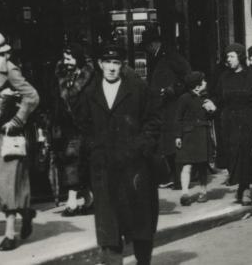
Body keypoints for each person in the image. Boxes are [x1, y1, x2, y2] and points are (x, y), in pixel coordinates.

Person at [74, 46, 161, 265]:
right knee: (108, 224)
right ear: (100, 64)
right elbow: (84, 128)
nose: (112, 68)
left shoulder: (138, 89)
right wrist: (93, 152)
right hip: (104, 168)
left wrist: (141, 146)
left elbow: (153, 122)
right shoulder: (89, 93)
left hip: (134, 168)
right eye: (107, 62)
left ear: (122, 66)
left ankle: (143, 261)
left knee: (140, 222)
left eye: (116, 63)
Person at [0, 31, 40, 252]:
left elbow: (32, 95)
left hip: (7, 135)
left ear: (4, 53)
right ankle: (26, 212)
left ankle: (10, 233)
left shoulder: (10, 70)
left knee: (4, 182)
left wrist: (17, 119)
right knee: (1, 183)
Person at [212, 43, 252, 205]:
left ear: (240, 57)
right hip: (228, 122)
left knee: (245, 155)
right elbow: (218, 98)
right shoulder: (224, 77)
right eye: (227, 56)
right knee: (232, 155)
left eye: (232, 56)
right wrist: (212, 103)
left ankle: (246, 188)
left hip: (246, 120)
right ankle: (240, 186)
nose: (229, 59)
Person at [52, 43, 95, 216]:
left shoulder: (90, 77)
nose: (66, 61)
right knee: (73, 163)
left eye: (69, 58)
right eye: (65, 58)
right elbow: (56, 101)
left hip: (86, 127)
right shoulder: (61, 76)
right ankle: (88, 199)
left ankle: (72, 202)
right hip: (67, 127)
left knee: (76, 162)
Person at [146, 34, 192, 188]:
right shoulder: (158, 56)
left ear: (154, 43)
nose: (147, 49)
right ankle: (172, 176)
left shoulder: (170, 56)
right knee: (166, 144)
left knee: (172, 142)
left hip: (172, 105)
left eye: (148, 45)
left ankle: (178, 179)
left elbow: (187, 76)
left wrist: (172, 90)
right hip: (162, 106)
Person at [175, 71, 216, 205]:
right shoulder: (184, 98)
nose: (206, 83)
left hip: (202, 135)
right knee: (186, 165)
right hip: (189, 136)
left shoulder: (206, 98)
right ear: (197, 86)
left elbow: (211, 117)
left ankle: (203, 191)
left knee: (202, 166)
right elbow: (178, 119)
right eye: (203, 81)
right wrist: (178, 136)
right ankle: (185, 193)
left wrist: (212, 110)